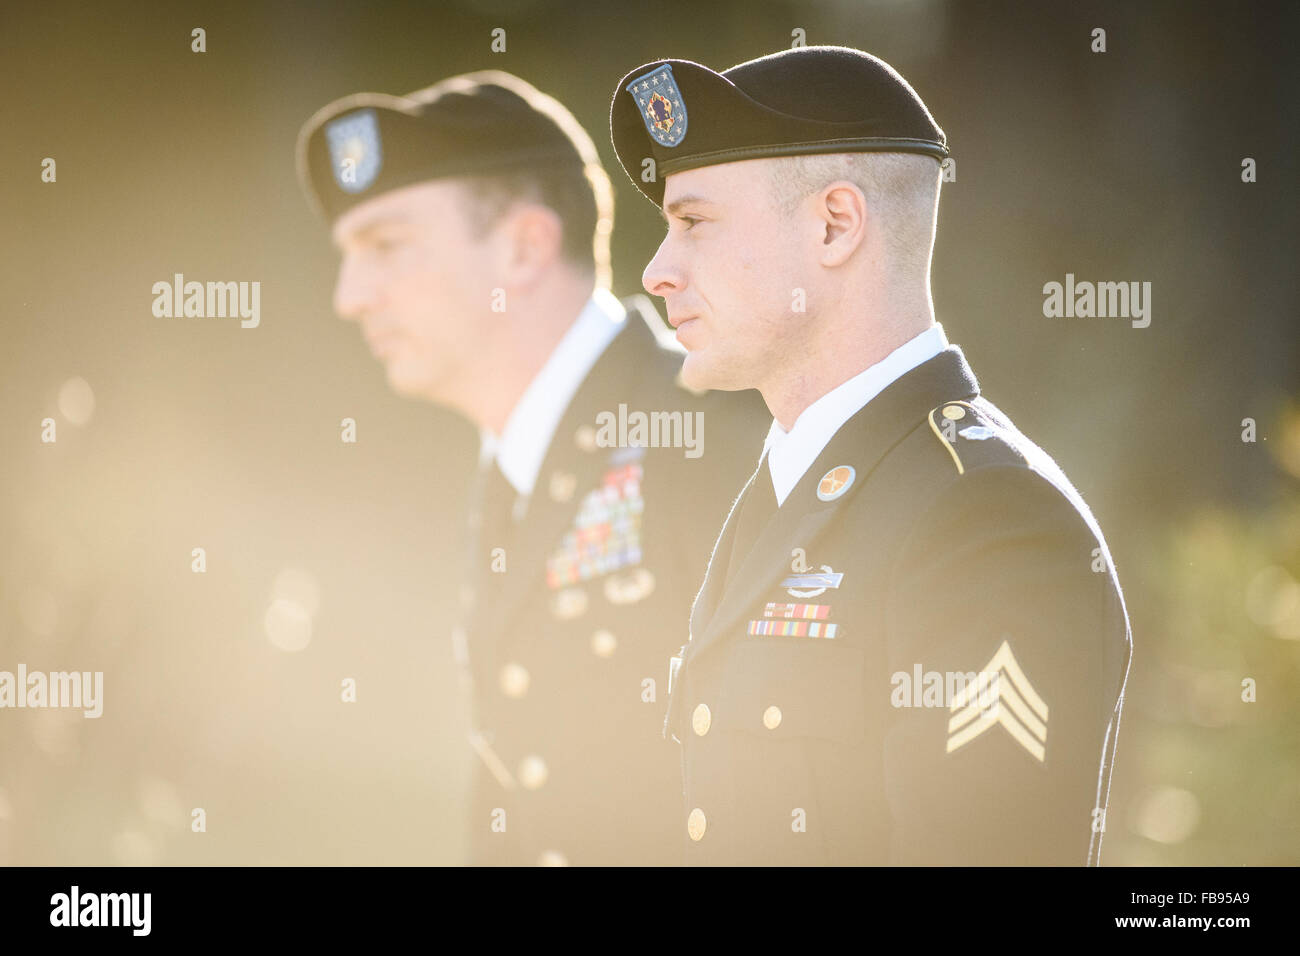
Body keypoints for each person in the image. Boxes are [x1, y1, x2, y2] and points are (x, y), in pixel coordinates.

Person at [608, 45, 1133, 864]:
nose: (657, 270)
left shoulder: (987, 519)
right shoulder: (784, 497)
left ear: (835, 225)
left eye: (694, 222)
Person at [297, 70, 766, 865]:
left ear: (524, 246)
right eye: (347, 255)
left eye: (386, 247)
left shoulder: (705, 437)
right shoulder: (510, 469)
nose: (349, 295)